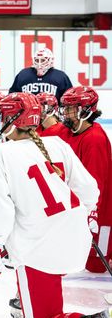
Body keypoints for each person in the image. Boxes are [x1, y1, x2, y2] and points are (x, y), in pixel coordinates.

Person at [0, 92, 112, 318]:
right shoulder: (57, 143)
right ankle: (32, 294)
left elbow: (0, 215)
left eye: (2, 115)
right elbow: (89, 190)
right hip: (75, 242)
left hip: (37, 250)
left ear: (14, 119)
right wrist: (85, 216)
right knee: (45, 284)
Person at [59, 86, 112, 273]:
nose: (65, 112)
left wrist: (91, 211)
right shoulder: (69, 132)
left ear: (85, 110)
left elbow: (96, 184)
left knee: (96, 265)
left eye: (69, 108)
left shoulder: (94, 139)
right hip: (78, 203)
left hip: (101, 209)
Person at [9, 47, 73, 101]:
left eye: (42, 60)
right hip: (28, 113)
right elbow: (12, 97)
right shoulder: (23, 75)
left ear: (51, 60)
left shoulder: (60, 76)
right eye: (37, 60)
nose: (39, 63)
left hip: (52, 114)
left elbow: (69, 99)